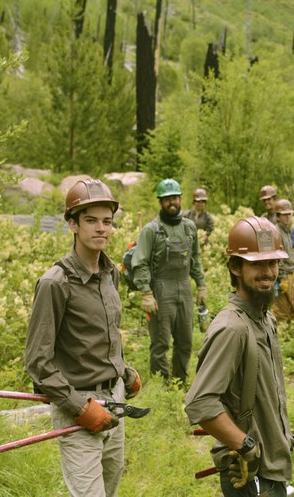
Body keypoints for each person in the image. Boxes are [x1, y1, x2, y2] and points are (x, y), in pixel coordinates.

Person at [25, 179, 142, 497]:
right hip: (78, 405)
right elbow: (37, 361)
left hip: (114, 400)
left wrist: (124, 371)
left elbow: (102, 334)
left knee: (111, 488)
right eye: (91, 220)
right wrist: (78, 407)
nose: (101, 228)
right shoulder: (56, 283)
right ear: (73, 224)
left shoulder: (111, 273)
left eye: (107, 221)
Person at [185, 216, 294, 497]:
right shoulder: (232, 328)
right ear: (235, 267)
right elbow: (200, 403)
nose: (268, 272)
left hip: (272, 466)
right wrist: (247, 446)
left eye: (273, 263)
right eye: (257, 264)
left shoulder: (264, 319)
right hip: (250, 474)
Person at [131, 178, 207, 383]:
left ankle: (179, 382)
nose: (171, 202)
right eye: (166, 199)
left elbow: (196, 258)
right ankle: (161, 386)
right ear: (160, 202)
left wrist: (201, 285)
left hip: (184, 288)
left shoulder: (190, 227)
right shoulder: (151, 230)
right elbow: (140, 262)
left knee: (185, 341)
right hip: (160, 290)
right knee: (160, 343)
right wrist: (146, 293)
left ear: (180, 198)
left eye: (174, 197)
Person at [272, 199, 294, 323]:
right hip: (282, 276)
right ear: (278, 217)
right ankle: (280, 338)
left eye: (289, 214)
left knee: (291, 307)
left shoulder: (289, 230)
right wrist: (282, 278)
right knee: (281, 310)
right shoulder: (276, 232)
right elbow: (278, 258)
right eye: (284, 215)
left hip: (290, 273)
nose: (287, 217)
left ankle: (289, 336)